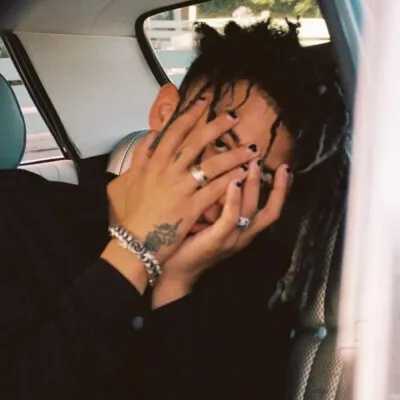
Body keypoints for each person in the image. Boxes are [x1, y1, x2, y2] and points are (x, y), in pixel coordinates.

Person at [0, 19, 349, 400]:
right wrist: (134, 252)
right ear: (166, 112)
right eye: (220, 145)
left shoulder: (254, 281)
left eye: (255, 179)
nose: (220, 192)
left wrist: (174, 285)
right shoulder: (18, 212)